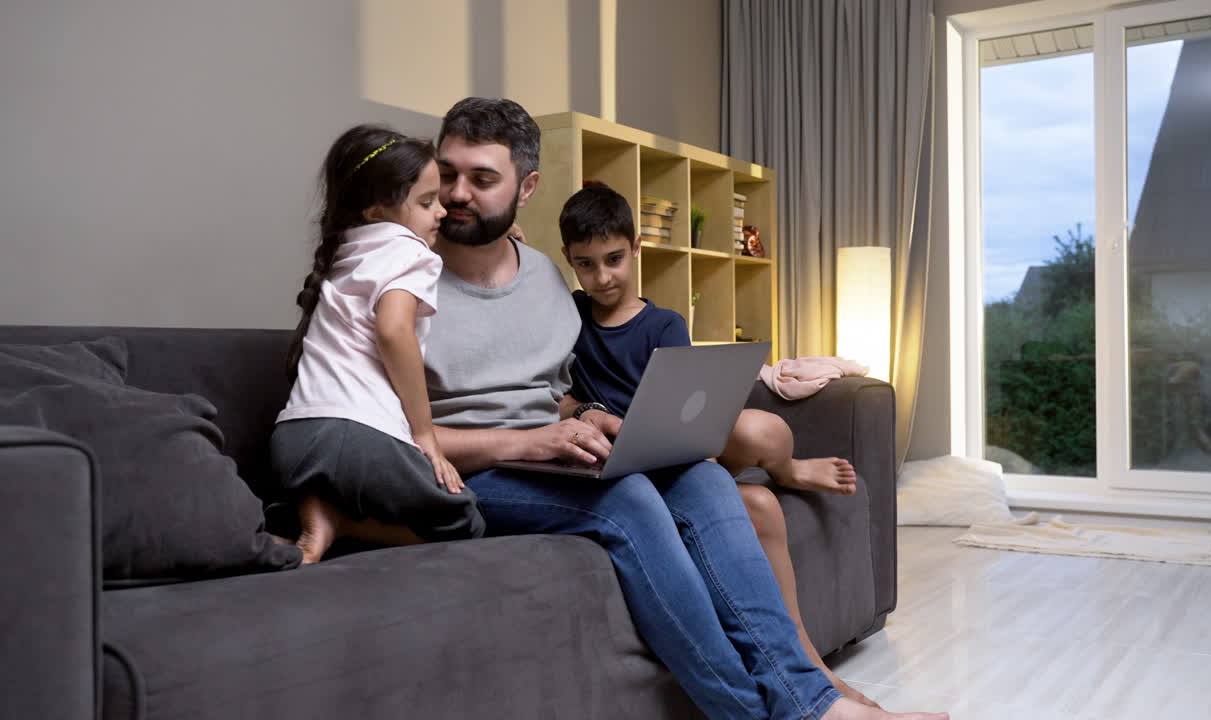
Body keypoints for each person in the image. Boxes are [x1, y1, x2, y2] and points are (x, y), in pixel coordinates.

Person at [423, 96, 946, 720]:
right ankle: (766, 714)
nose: (457, 193)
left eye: (482, 179)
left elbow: (555, 386)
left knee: (700, 475)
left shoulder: (541, 278)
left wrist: (582, 417)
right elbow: (392, 434)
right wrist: (527, 441)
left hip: (555, 454)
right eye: (447, 173)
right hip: (477, 469)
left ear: (526, 187)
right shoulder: (402, 277)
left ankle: (815, 704)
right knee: (630, 500)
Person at [556, 182, 872, 705]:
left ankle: (790, 473)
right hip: (626, 465)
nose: (602, 276)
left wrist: (687, 439)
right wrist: (590, 413)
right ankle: (811, 669)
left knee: (759, 429)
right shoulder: (569, 317)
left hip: (679, 453)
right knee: (760, 506)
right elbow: (560, 397)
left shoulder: (664, 323)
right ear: (569, 261)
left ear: (636, 249)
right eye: (586, 264)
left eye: (614, 259)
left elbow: (687, 408)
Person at [270, 123, 485, 564]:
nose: (440, 212)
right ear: (374, 211)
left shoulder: (344, 251)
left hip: (292, 438)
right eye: (427, 203)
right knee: (467, 523)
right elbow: (393, 330)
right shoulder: (410, 250)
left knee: (352, 481)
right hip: (359, 437)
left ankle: (315, 514)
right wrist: (423, 431)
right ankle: (343, 523)